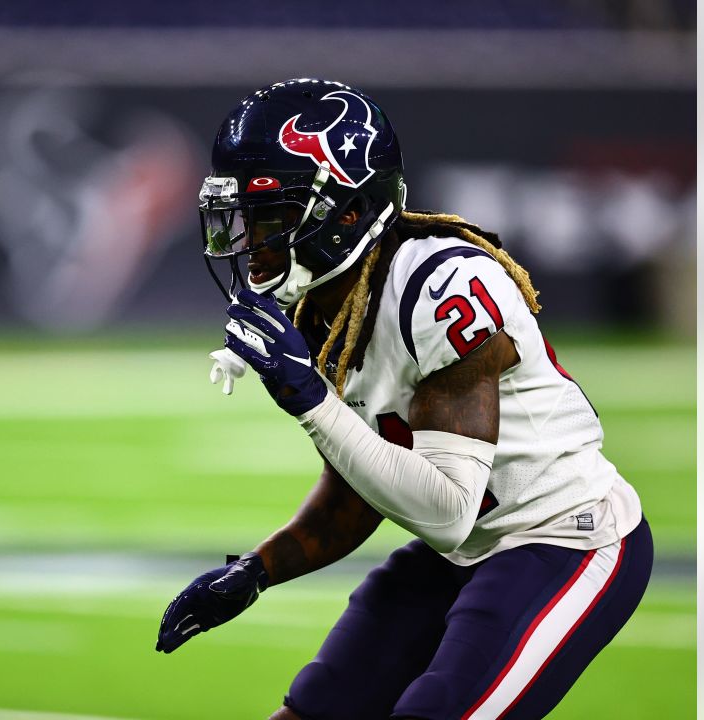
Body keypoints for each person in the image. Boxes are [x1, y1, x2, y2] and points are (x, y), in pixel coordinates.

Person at [155, 79, 653, 720]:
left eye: (271, 217)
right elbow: (361, 489)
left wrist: (310, 399)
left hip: (563, 538)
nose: (250, 240)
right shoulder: (325, 303)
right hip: (460, 551)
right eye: (243, 217)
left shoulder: (444, 287)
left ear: (347, 212)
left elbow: (446, 507)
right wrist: (256, 570)